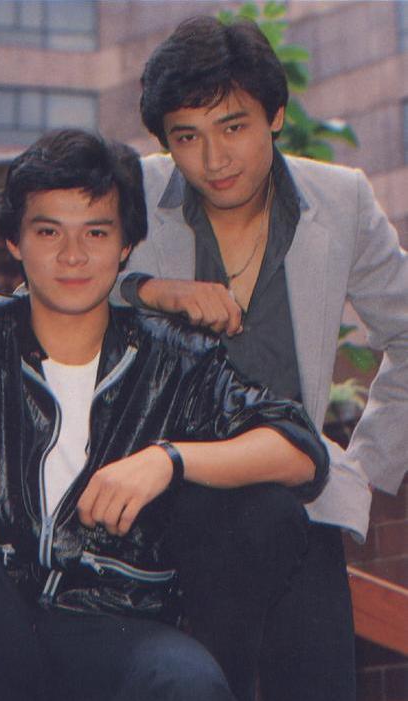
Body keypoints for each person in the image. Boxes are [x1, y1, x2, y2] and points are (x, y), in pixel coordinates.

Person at [0, 129, 328, 701]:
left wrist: (167, 460)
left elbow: (298, 447)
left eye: (96, 232)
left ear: (127, 245)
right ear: (14, 242)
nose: (73, 255)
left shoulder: (173, 358)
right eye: (48, 231)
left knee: (189, 684)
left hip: (112, 616)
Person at [111, 15, 408, 701]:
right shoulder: (132, 195)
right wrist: (149, 290)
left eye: (233, 126)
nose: (214, 159)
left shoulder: (341, 200)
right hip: (160, 510)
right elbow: (46, 295)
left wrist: (364, 468)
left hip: (291, 500)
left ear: (275, 116)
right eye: (187, 137)